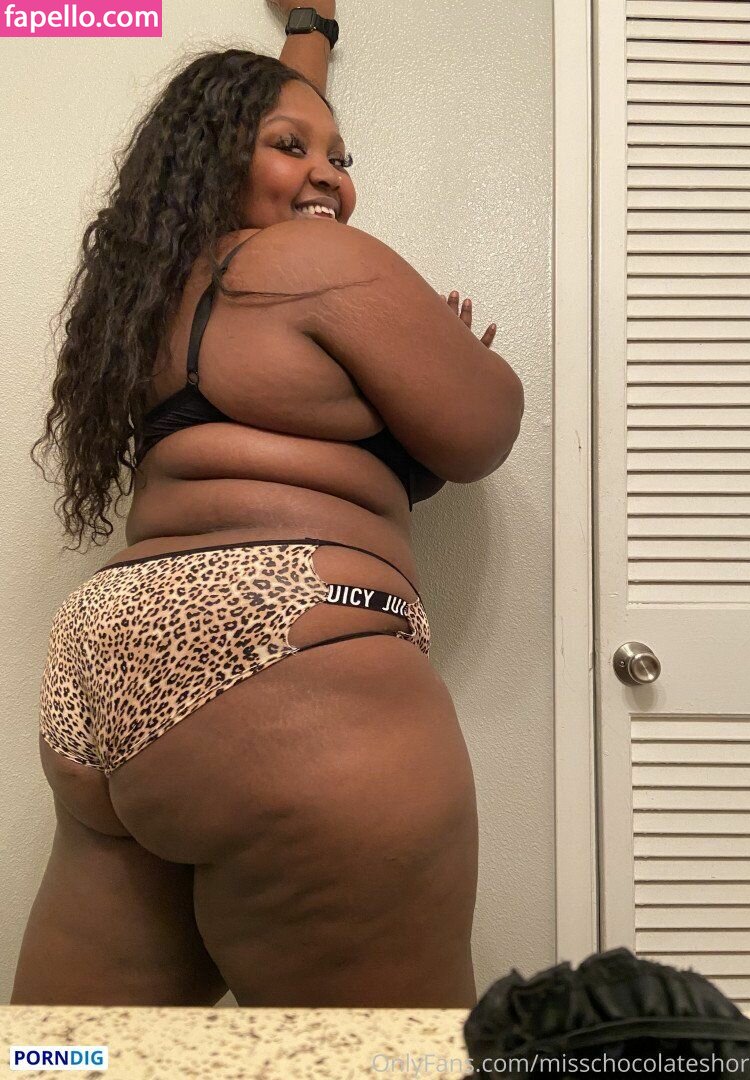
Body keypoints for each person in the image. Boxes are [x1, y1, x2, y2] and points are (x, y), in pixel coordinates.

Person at [13, 0, 524, 1008]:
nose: (330, 174)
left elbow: (269, 133)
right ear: (218, 163)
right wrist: (463, 360)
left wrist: (310, 31)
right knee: (381, 1064)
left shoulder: (143, 298)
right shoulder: (319, 263)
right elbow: (484, 428)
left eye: (342, 157)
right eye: (294, 149)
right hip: (286, 657)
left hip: (105, 675)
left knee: (76, 1057)